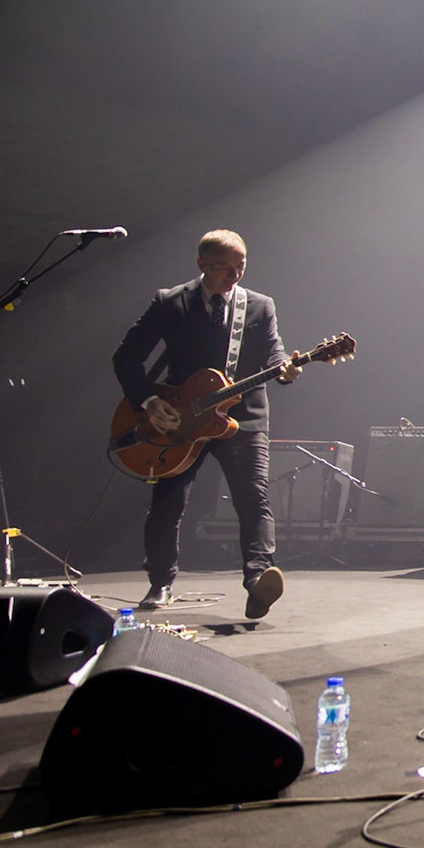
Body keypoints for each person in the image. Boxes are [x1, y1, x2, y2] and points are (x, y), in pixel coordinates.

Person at [112, 229, 300, 617]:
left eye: (240, 267)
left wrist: (284, 370)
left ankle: (258, 581)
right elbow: (126, 356)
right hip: (180, 419)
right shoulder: (170, 302)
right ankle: (160, 582)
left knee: (254, 499)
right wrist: (148, 402)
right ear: (200, 265)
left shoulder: (260, 305)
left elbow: (273, 352)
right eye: (223, 268)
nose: (234, 276)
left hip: (242, 419)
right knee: (167, 502)